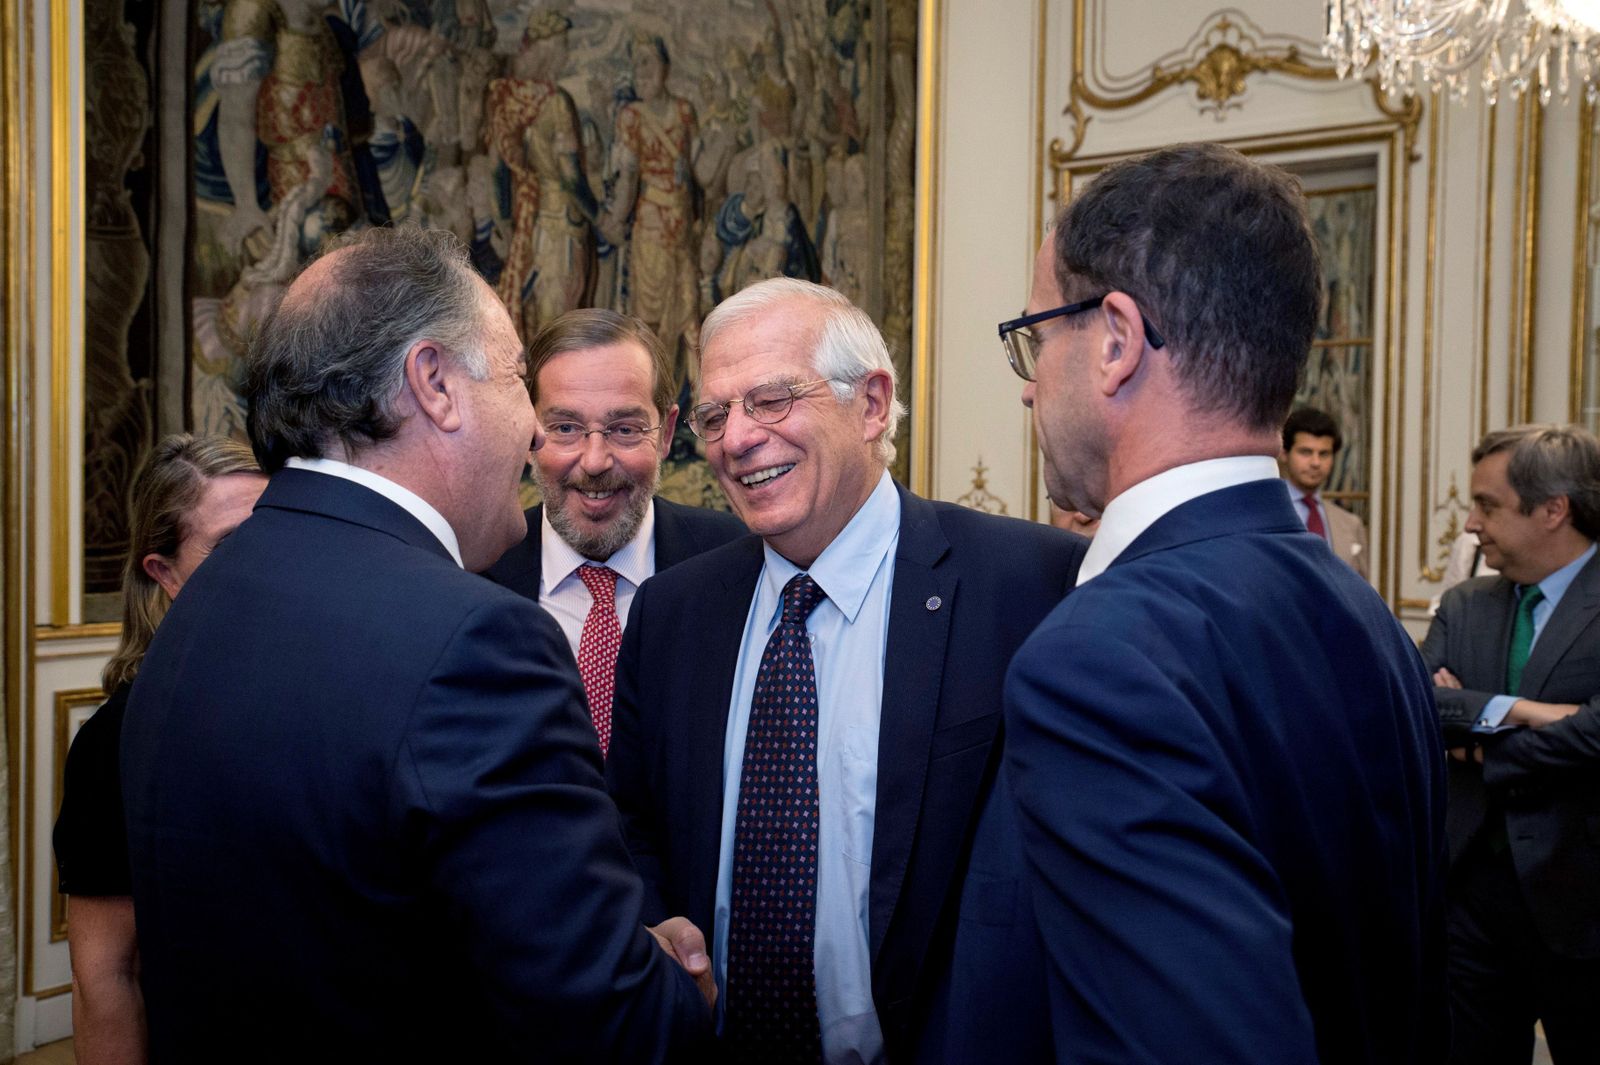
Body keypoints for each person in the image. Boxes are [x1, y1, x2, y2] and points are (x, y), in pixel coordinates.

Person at [119, 225, 715, 1061]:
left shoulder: (210, 594)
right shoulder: (477, 639)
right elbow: (607, 1019)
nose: (536, 436)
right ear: (434, 384)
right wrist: (677, 986)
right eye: (515, 377)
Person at [1001, 141, 1447, 1064]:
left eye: (1039, 336)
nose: (1031, 383)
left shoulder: (1099, 657)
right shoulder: (1367, 615)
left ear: (1116, 339)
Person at [607, 277, 1087, 1063]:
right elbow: (630, 820)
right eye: (714, 415)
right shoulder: (672, 613)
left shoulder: (1028, 586)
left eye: (770, 400)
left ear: (871, 404)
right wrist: (662, 938)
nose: (736, 439)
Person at [53, 434, 266, 1065]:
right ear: (164, 573)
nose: (270, 563)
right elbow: (106, 978)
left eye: (280, 534)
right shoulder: (120, 741)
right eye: (232, 545)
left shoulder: (339, 693)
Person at [484, 309, 745, 754]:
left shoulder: (735, 565)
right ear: (530, 432)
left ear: (665, 435)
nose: (594, 461)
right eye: (566, 428)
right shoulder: (476, 573)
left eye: (625, 429)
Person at [1420, 424, 1600, 1065]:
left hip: (1585, 901)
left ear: (1553, 510)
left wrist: (1478, 745)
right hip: (1468, 896)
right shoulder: (1465, 604)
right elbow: (1421, 708)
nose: (1470, 524)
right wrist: (1526, 712)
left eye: (1488, 506)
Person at [1281, 405, 1369, 578]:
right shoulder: (1267, 514)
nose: (1316, 463)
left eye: (1324, 454)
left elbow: (1362, 587)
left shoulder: (1351, 524)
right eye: (1306, 452)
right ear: (1284, 453)